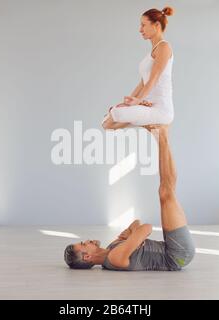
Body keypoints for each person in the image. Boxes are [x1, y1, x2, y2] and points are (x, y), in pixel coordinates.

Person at [63, 125, 195, 271]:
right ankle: (161, 134)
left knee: (166, 192)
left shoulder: (111, 247)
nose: (87, 241)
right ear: (87, 256)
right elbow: (146, 227)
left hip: (169, 247)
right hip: (178, 255)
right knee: (166, 193)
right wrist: (134, 234)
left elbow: (136, 223)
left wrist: (135, 236)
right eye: (83, 244)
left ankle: (161, 135)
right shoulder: (114, 258)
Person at [102, 7, 176, 130]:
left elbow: (154, 79)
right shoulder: (152, 52)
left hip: (161, 110)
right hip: (148, 105)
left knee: (114, 115)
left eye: (143, 25)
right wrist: (129, 103)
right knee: (107, 121)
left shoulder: (164, 47)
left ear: (156, 25)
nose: (140, 30)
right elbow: (143, 83)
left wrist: (137, 102)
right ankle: (138, 115)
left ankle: (139, 117)